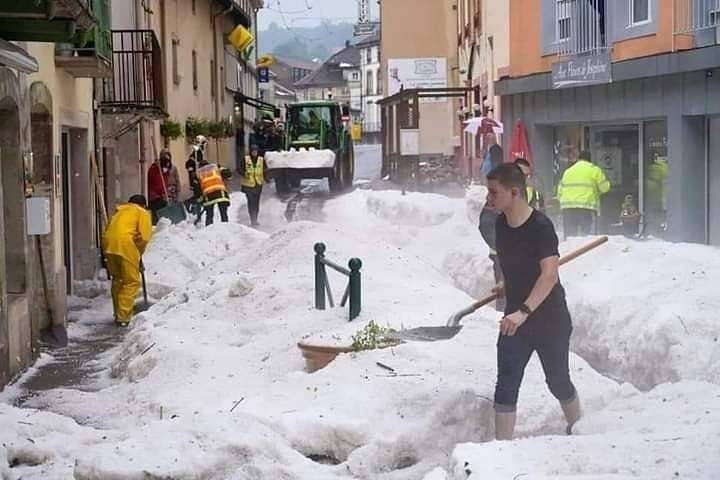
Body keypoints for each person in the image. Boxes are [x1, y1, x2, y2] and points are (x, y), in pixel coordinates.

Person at [485, 163, 581, 441]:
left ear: (514, 192)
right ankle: (500, 450)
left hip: (549, 319)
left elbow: (549, 276)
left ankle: (579, 427)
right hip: (516, 321)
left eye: (494, 192)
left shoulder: (541, 227)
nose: (489, 199)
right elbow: (514, 262)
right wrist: (507, 283)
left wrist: (523, 312)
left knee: (558, 381)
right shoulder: (501, 223)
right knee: (507, 382)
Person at [102, 195, 152, 327]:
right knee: (131, 282)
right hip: (125, 244)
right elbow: (145, 237)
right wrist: (138, 254)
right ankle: (123, 317)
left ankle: (118, 312)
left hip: (108, 244)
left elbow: (109, 230)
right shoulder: (142, 212)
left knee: (117, 278)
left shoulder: (119, 212)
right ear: (143, 205)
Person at [557, 150, 610, 238]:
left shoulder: (568, 171)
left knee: (570, 237)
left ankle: (571, 251)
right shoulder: (594, 170)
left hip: (568, 208)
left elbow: (559, 192)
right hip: (586, 207)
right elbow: (605, 188)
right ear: (590, 159)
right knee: (587, 237)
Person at [197, 154, 231, 226]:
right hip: (220, 193)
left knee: (209, 215)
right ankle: (226, 229)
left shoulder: (199, 174)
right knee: (223, 214)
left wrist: (199, 198)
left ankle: (209, 231)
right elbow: (228, 173)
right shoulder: (215, 168)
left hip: (208, 196)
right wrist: (220, 168)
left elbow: (198, 188)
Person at [240, 144, 268, 227]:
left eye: (256, 151)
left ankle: (255, 219)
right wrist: (244, 173)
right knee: (251, 203)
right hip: (248, 185)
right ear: (250, 152)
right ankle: (252, 220)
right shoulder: (245, 159)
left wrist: (267, 179)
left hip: (258, 185)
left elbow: (265, 170)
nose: (254, 153)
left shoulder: (261, 160)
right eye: (253, 151)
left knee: (256, 203)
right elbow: (239, 169)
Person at [147, 157, 168, 225]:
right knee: (156, 212)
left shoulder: (163, 172)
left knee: (162, 209)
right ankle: (156, 224)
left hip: (160, 196)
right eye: (165, 166)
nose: (166, 168)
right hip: (154, 196)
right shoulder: (154, 171)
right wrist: (160, 193)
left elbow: (164, 182)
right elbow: (157, 184)